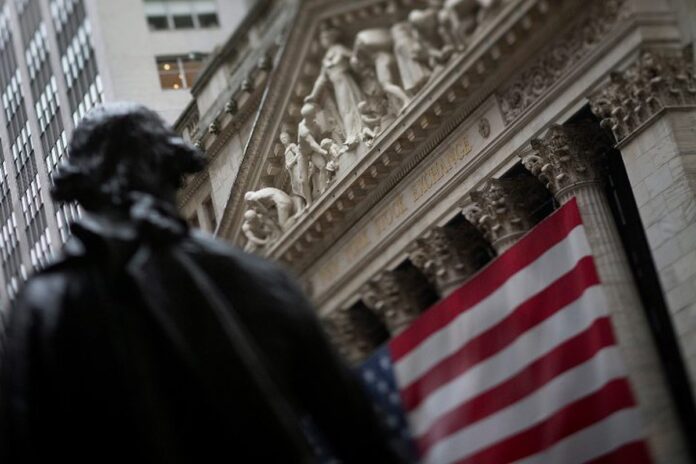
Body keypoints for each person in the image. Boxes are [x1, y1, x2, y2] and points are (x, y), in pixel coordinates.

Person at [0, 103, 409, 463]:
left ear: (84, 191)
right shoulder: (260, 278)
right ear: (170, 174)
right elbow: (362, 437)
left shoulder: (45, 302)